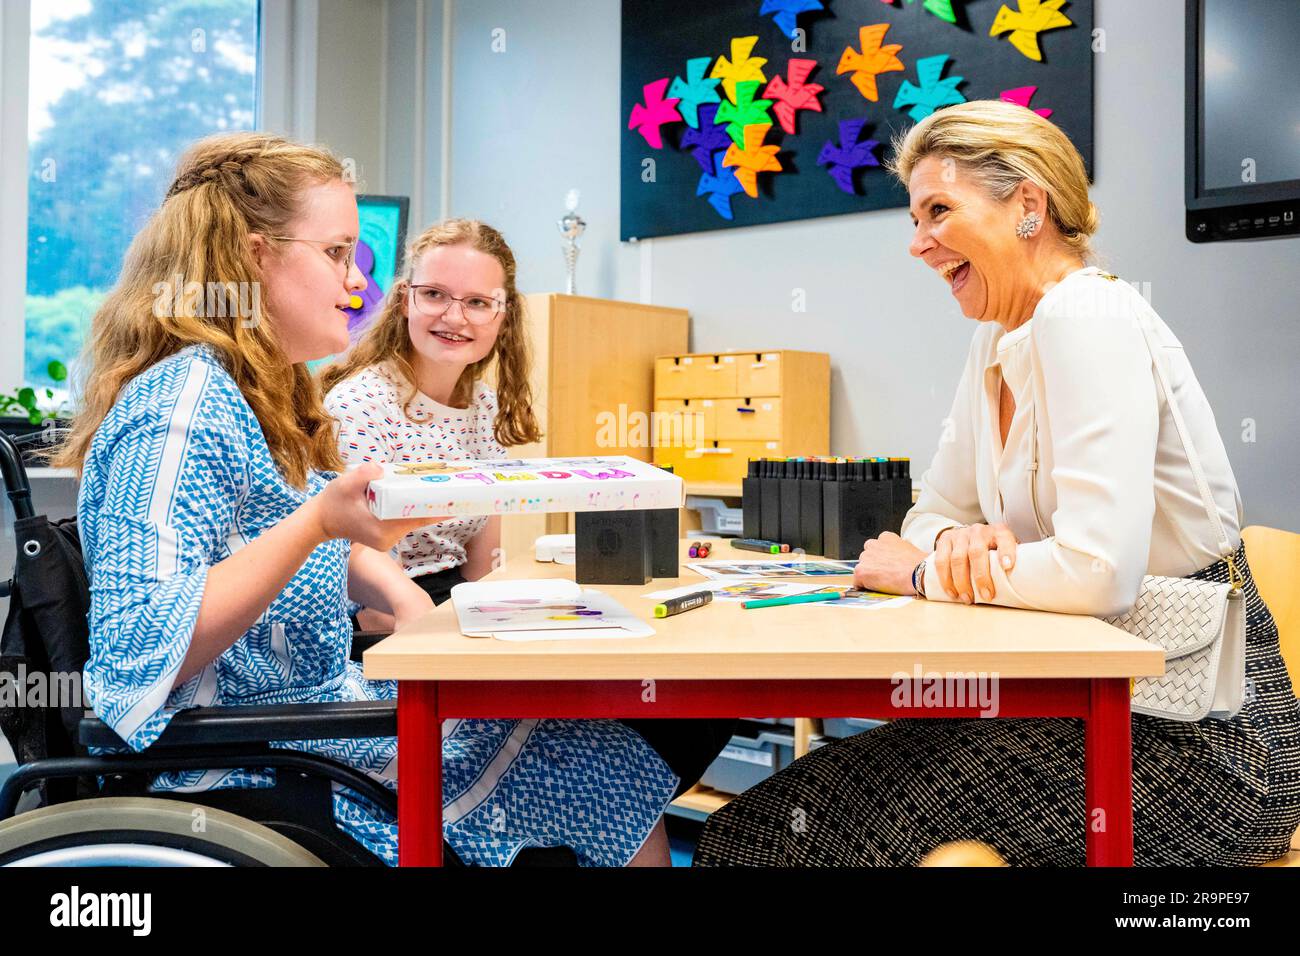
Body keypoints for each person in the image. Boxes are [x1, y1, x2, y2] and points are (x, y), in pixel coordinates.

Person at [693, 100, 1300, 866]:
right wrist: (955, 543)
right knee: (777, 823)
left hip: (1203, 747)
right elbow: (933, 512)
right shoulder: (997, 337)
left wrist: (927, 573)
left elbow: (1098, 571)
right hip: (1081, 705)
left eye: (938, 211)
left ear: (1028, 206)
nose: (918, 245)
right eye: (915, 220)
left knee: (770, 836)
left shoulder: (1088, 314)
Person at [55, 132, 679, 866]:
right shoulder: (182, 407)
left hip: (309, 717)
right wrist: (318, 523)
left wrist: (365, 548)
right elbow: (137, 655)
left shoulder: (258, 393)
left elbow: (311, 539)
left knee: (593, 750)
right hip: (244, 755)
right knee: (587, 760)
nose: (357, 282)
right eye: (336, 254)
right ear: (255, 256)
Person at [320, 216, 735, 810]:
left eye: (476, 302)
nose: (453, 317)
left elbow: (481, 555)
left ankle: (608, 811)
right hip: (384, 624)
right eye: (434, 294)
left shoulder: (480, 403)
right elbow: (351, 567)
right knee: (600, 718)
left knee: (685, 699)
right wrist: (446, 624)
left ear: (502, 315)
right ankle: (586, 812)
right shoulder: (361, 405)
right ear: (405, 299)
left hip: (450, 608)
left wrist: (510, 605)